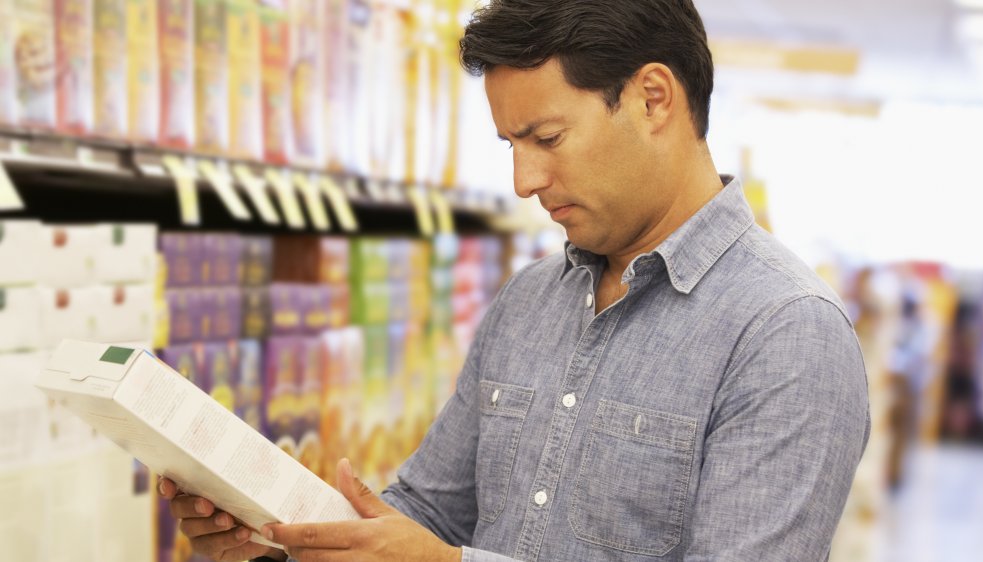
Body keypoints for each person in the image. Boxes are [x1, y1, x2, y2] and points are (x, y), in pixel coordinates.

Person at [160, 1, 870, 560]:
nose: (524, 180)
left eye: (547, 139)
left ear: (655, 98)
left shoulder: (787, 333)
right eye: (511, 145)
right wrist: (281, 536)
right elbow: (427, 513)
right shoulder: (531, 301)